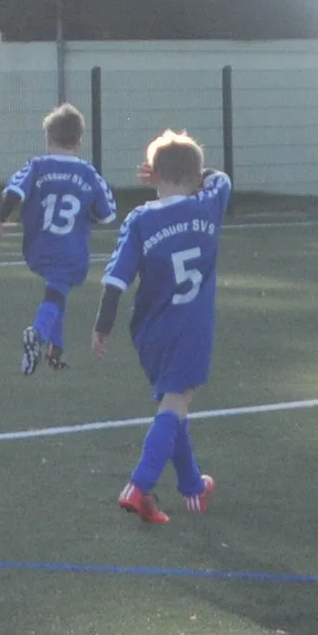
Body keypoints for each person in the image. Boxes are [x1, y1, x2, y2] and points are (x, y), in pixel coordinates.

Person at [93, 130, 230, 525]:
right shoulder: (209, 204)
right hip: (190, 329)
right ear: (197, 176)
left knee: (174, 402)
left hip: (149, 331)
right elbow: (220, 179)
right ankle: (139, 486)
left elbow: (115, 280)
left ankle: (192, 487)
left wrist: (102, 326)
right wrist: (198, 175)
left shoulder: (140, 219)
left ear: (153, 175)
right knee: (175, 404)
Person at [0, 104, 118, 374]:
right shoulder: (88, 173)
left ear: (48, 139)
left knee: (58, 287)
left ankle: (55, 348)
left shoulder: (37, 166)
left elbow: (15, 192)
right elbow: (107, 214)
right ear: (79, 143)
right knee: (59, 284)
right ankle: (38, 332)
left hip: (38, 245)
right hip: (71, 247)